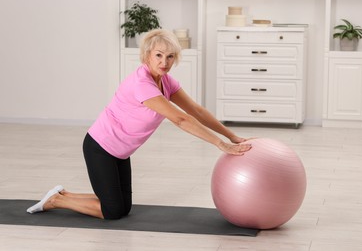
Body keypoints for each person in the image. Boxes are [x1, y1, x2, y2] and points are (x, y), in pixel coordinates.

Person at [26, 29, 252, 220]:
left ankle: (63, 194)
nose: (165, 62)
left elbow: (196, 111)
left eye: (170, 57)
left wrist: (232, 137)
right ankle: (56, 201)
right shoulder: (142, 84)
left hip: (121, 152)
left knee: (123, 208)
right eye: (159, 55)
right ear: (147, 56)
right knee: (113, 211)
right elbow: (181, 118)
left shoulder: (165, 81)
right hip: (101, 147)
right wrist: (220, 144)